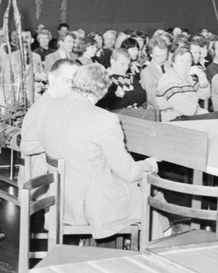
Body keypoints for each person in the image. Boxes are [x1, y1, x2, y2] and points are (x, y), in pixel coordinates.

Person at [29, 64, 158, 241]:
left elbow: (30, 146)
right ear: (103, 91)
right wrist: (149, 164)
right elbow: (129, 172)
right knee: (150, 190)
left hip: (57, 200)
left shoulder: (46, 106)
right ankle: (159, 242)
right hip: (89, 208)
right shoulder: (105, 119)